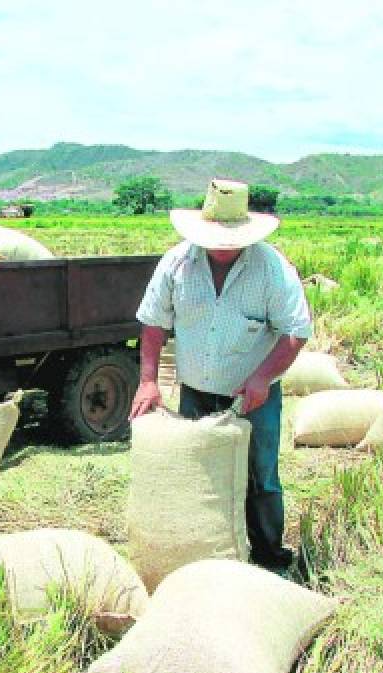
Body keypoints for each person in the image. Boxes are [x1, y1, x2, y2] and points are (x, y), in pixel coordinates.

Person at [130, 178, 313, 575]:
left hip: (254, 395)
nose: (223, 246)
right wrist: (148, 380)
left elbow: (296, 331)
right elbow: (153, 323)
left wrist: (262, 378)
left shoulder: (271, 268)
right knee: (200, 473)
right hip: (196, 390)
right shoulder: (177, 263)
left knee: (260, 476)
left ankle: (268, 558)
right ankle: (205, 559)